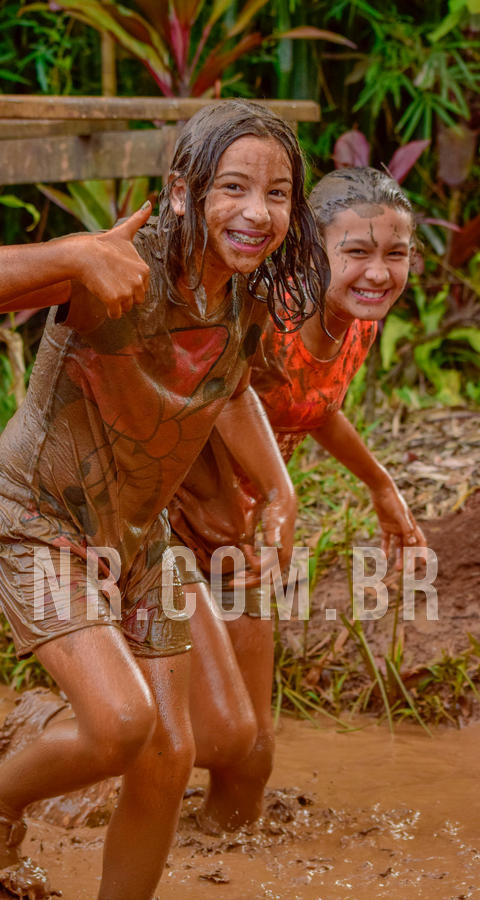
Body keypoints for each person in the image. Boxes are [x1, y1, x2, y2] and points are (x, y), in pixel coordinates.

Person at [0, 101, 328, 900]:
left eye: (277, 194)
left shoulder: (242, 291)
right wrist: (72, 255)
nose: (257, 211)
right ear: (182, 192)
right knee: (121, 726)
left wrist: (278, 490)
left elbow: (230, 385)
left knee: (175, 756)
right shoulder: (123, 268)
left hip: (140, 541)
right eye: (233, 188)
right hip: (40, 523)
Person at [169, 166, 427, 834]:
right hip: (174, 525)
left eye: (395, 253)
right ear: (312, 251)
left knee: (248, 764)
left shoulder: (354, 324)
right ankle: (61, 767)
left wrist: (380, 485)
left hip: (244, 537)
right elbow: (210, 410)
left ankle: (213, 861)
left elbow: (312, 408)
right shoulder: (262, 319)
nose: (378, 273)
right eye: (358, 253)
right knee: (213, 735)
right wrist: (262, 510)